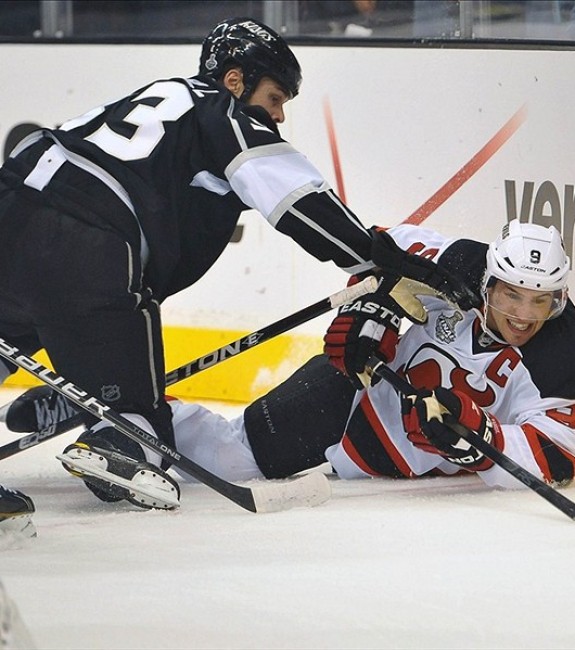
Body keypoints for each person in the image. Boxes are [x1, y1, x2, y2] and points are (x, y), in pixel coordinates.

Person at [0, 17, 475, 509]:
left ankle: (82, 389)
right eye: (275, 98)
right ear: (235, 80)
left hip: (10, 203)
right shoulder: (224, 114)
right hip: (85, 239)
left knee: (17, 329)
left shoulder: (157, 98)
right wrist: (375, 257)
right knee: (139, 411)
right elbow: (297, 198)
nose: (279, 116)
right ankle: (119, 437)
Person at [104, 218, 575, 489]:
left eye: (541, 301)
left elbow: (557, 453)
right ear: (488, 282)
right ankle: (128, 416)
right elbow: (383, 250)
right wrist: (374, 305)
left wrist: (479, 434)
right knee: (228, 458)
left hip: (397, 463)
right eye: (511, 295)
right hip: (351, 393)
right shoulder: (461, 264)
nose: (523, 315)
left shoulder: (562, 353)